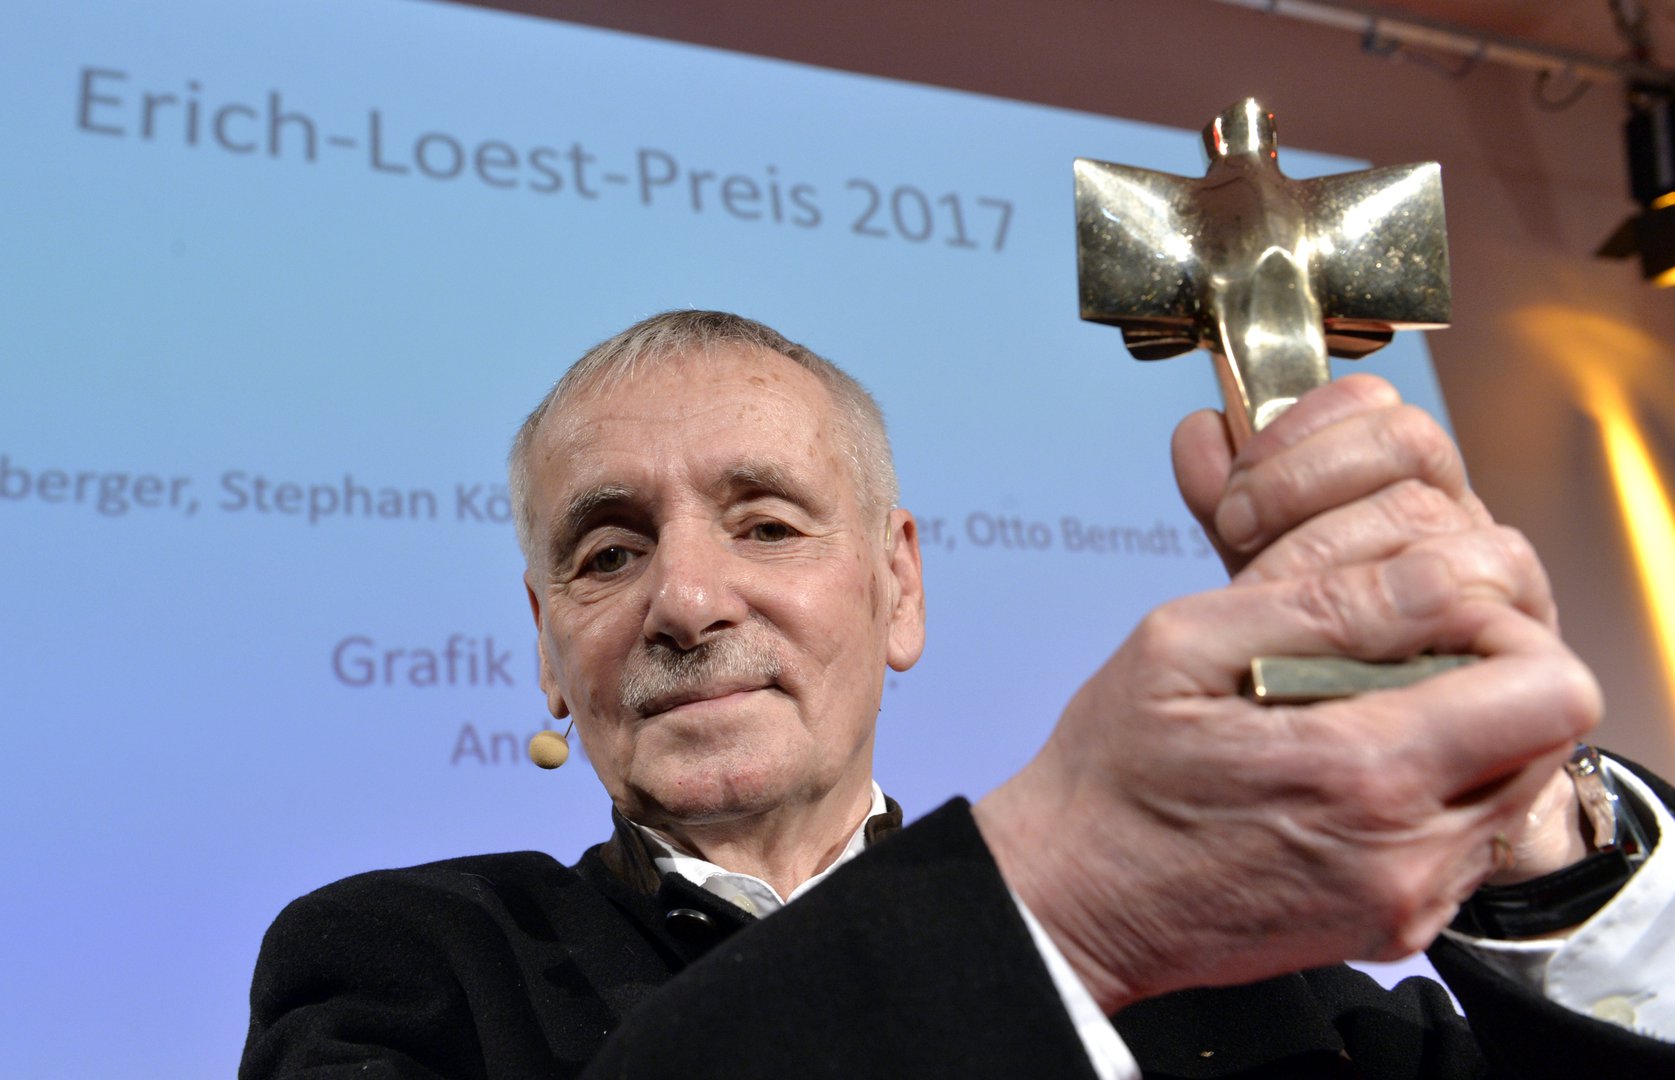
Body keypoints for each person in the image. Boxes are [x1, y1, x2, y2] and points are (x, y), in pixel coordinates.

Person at [241, 310, 1675, 1079]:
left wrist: (1539, 847)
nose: (686, 601)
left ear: (900, 587)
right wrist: (1046, 897)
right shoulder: (404, 972)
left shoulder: (1255, 991)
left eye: (766, 523)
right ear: (550, 646)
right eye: (608, 553)